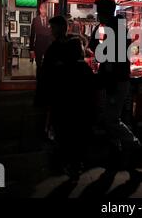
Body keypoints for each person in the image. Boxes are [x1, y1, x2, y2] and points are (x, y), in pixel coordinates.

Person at [87, 0, 142, 182]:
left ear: (106, 12)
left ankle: (135, 145)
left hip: (117, 80)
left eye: (99, 11)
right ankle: (117, 149)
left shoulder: (116, 28)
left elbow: (100, 51)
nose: (97, 14)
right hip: (115, 79)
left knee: (111, 118)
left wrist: (97, 34)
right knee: (111, 116)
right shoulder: (113, 27)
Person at [39, 15, 96, 182]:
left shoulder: (64, 46)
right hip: (67, 96)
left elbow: (54, 70)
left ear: (61, 28)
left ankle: (72, 163)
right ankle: (73, 163)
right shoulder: (69, 45)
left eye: (53, 27)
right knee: (69, 131)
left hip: (67, 96)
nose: (51, 30)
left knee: (67, 131)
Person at [30, 3, 52, 73]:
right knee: (38, 66)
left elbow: (52, 35)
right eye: (42, 9)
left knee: (47, 66)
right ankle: (39, 81)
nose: (43, 11)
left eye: (45, 9)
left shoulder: (50, 20)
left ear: (46, 10)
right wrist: (31, 49)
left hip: (48, 47)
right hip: (38, 47)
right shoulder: (35, 20)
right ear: (40, 10)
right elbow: (32, 35)